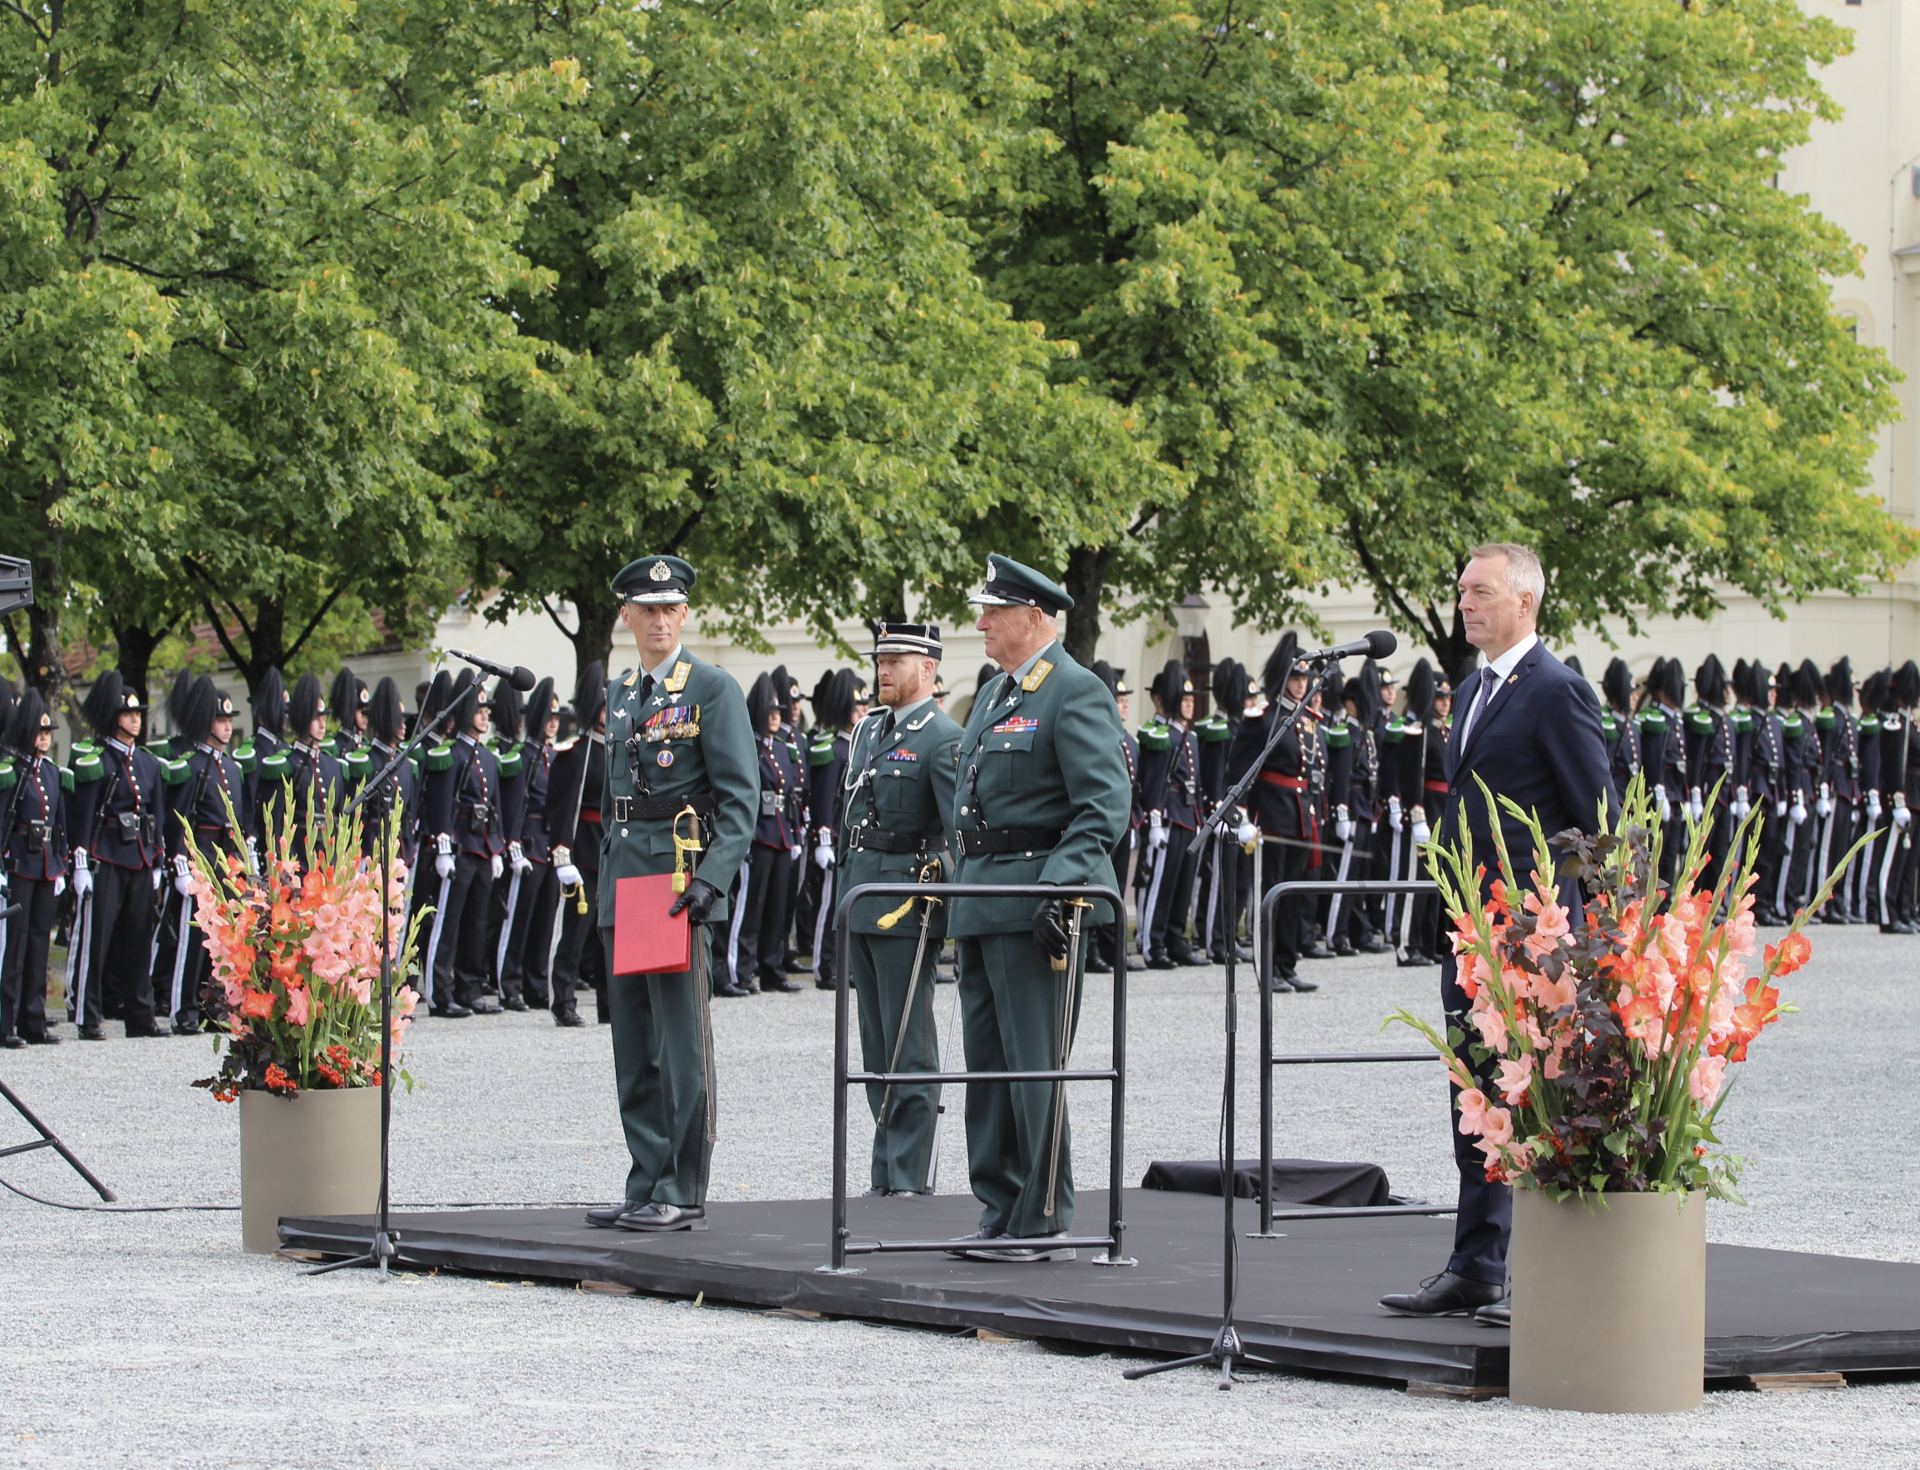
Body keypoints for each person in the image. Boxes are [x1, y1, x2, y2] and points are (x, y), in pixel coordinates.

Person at [1379, 543, 1608, 1322]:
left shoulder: (1557, 690)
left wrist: (1589, 934)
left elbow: (1596, 823)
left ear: (1525, 600)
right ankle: (1477, 1263)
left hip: (1533, 942)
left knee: (1538, 1099)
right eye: (1461, 592)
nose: (1464, 604)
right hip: (1473, 934)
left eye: (1480, 592)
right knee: (1477, 1096)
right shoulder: (1475, 688)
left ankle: (1538, 1271)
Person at [945, 555, 1129, 1262]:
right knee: (987, 1067)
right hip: (982, 898)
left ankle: (1042, 1213)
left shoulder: (1073, 691)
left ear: (1037, 617)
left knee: (1033, 1066)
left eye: (994, 611)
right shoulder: (997, 693)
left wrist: (1062, 886)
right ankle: (999, 1204)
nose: (981, 622)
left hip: (1037, 905)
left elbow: (1102, 807)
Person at [584, 554, 757, 1234]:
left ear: (684, 614)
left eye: (671, 608)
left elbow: (741, 800)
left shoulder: (711, 688)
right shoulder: (624, 694)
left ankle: (681, 1186)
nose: (659, 619)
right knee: (634, 1041)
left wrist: (712, 878)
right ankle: (645, 1177)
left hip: (676, 883)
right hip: (626, 881)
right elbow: (612, 798)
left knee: (680, 1043)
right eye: (646, 608)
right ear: (627, 615)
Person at [839, 622, 963, 1195]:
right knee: (875, 1044)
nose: (882, 669)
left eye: (895, 661)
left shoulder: (943, 739)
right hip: (863, 896)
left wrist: (955, 912)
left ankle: (910, 1176)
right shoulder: (869, 731)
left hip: (908, 903)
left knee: (908, 1044)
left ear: (928, 669)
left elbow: (957, 836)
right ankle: (885, 1172)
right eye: (880, 659)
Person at [66, 672, 168, 1040]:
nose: (136, 719)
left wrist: (157, 861)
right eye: (129, 714)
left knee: (140, 940)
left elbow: (155, 816)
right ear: (114, 718)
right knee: (97, 939)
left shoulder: (148, 763)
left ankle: (140, 1017)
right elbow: (83, 814)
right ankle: (87, 1014)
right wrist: (80, 862)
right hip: (106, 856)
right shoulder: (99, 760)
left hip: (139, 858)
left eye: (139, 713)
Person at [1226, 633, 1323, 993]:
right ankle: (1268, 969)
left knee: (1293, 894)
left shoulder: (1308, 719)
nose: (1301, 685)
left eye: (1305, 680)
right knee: (1273, 893)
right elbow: (1239, 770)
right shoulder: (1264, 718)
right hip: (1270, 815)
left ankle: (1287, 963)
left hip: (1300, 816)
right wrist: (1243, 817)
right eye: (1296, 678)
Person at [160, 678, 245, 1034]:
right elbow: (179, 816)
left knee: (223, 936)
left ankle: (214, 1006)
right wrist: (181, 859)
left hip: (225, 858)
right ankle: (182, 1008)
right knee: (192, 937)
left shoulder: (233, 768)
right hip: (200, 854)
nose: (227, 726)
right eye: (220, 720)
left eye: (229, 720)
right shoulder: (191, 765)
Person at [420, 670, 505, 1017]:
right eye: (480, 709)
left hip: (483, 845)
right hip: (458, 845)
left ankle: (469, 988)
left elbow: (495, 806)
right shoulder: (448, 753)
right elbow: (439, 803)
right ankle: (440, 993)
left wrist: (497, 847)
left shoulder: (487, 757)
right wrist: (441, 847)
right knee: (448, 922)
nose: (486, 715)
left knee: (477, 921)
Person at [714, 672, 803, 997]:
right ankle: (737, 968)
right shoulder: (748, 746)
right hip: (758, 835)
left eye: (780, 711)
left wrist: (795, 832)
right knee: (747, 910)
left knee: (777, 908)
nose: (778, 717)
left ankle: (771, 967)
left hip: (779, 833)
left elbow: (791, 792)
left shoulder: (779, 747)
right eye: (772, 712)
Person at [0, 693, 66, 1046]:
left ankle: (33, 1019)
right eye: (38, 732)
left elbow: (60, 824)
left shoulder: (52, 773)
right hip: (19, 863)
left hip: (44, 864)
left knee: (40, 942)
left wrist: (62, 863)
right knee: (16, 944)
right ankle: (6, 1022)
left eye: (47, 732)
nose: (43, 738)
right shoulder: (12, 771)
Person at [548, 663, 609, 1027]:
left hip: (608, 853)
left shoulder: (615, 750)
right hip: (581, 856)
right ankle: (564, 1002)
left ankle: (609, 1004)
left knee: (608, 938)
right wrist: (562, 856)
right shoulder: (576, 753)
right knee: (574, 935)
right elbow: (562, 809)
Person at [496, 677, 560, 1010]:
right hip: (529, 843)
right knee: (518, 920)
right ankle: (509, 984)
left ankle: (537, 986)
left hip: (550, 847)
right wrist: (513, 843)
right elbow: (514, 804)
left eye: (557, 718)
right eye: (548, 717)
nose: (553, 723)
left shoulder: (553, 755)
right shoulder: (523, 755)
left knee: (545, 921)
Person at [1136, 660, 1203, 968]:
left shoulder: (1189, 737)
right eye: (1184, 699)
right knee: (1160, 884)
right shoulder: (1159, 734)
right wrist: (1154, 816)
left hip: (1188, 816)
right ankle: (1153, 942)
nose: (1189, 706)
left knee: (1182, 885)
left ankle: (1176, 938)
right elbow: (1152, 781)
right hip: (1168, 816)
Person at [803, 669, 858, 990]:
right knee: (828, 904)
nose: (862, 709)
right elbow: (823, 800)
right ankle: (824, 967)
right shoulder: (830, 748)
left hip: (849, 839)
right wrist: (823, 840)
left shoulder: (854, 746)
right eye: (856, 704)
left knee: (845, 905)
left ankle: (841, 962)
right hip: (832, 838)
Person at [1085, 662, 1140, 974]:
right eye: (1120, 700)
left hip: (1125, 822)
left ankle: (1113, 948)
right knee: (1097, 887)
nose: (1124, 705)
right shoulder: (1095, 732)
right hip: (1102, 821)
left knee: (1117, 887)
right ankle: (1092, 950)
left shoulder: (1127, 739)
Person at [483, 680, 531, 1005]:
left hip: (510, 845)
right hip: (499, 844)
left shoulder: (512, 751)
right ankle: (498, 979)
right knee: (495, 918)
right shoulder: (499, 754)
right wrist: (504, 843)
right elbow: (503, 806)